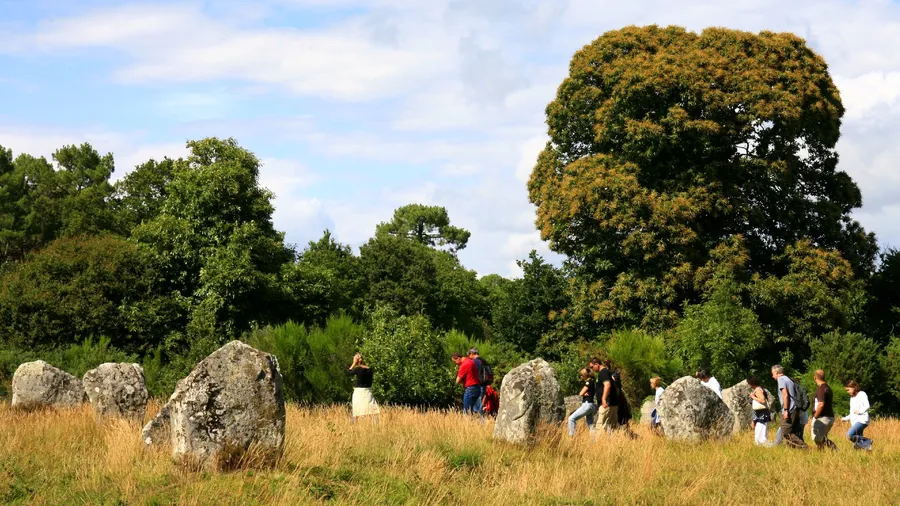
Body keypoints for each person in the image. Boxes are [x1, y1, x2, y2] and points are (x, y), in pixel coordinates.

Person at [771, 364, 806, 449]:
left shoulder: (781, 379)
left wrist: (786, 410)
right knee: (793, 431)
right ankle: (797, 449)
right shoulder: (788, 379)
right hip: (795, 408)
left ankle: (804, 447)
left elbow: (785, 395)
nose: (772, 376)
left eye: (773, 374)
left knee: (785, 432)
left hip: (789, 409)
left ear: (776, 372)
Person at [347, 352, 380, 423]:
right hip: (368, 391)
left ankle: (354, 423)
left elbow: (348, 373)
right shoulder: (370, 370)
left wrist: (353, 364)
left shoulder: (358, 369)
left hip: (359, 392)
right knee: (372, 408)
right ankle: (376, 423)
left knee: (357, 408)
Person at [589, 358, 618, 432]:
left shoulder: (603, 372)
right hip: (612, 402)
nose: (592, 369)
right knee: (612, 427)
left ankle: (599, 440)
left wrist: (604, 399)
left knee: (600, 426)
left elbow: (607, 385)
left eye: (592, 367)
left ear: (597, 364)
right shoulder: (606, 372)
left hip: (606, 403)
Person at [811, 370, 837, 451]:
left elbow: (821, 404)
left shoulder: (821, 389)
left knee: (817, 438)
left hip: (822, 417)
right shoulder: (827, 388)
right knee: (822, 438)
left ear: (815, 377)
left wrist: (815, 416)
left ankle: (833, 450)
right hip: (829, 417)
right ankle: (830, 451)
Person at [842, 380, 872, 450]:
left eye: (848, 390)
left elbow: (867, 405)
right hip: (854, 422)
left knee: (849, 435)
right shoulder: (852, 398)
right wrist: (845, 418)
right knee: (856, 444)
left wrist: (860, 411)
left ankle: (868, 441)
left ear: (853, 387)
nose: (847, 392)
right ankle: (865, 451)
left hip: (862, 420)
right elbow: (852, 412)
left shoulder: (862, 394)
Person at [567, 368, 597, 437]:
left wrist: (583, 393)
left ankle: (571, 436)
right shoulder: (593, 381)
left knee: (571, 418)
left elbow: (581, 393)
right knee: (591, 424)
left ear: (585, 375)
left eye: (582, 375)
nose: (581, 377)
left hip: (587, 404)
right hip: (591, 405)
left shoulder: (588, 382)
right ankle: (594, 440)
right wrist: (585, 393)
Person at [747, 375, 772, 446]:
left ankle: (766, 446)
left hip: (762, 414)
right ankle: (761, 447)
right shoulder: (759, 389)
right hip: (761, 414)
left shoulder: (758, 390)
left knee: (761, 435)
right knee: (759, 433)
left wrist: (753, 397)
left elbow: (763, 400)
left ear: (751, 383)